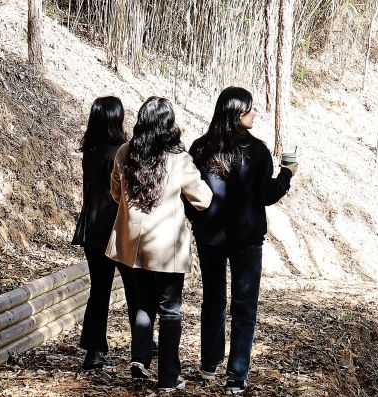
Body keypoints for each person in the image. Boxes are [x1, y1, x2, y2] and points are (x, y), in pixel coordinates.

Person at [185, 86, 297, 394]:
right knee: (244, 305)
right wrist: (287, 174)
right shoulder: (257, 150)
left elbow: (188, 192)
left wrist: (198, 221)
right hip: (246, 238)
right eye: (250, 108)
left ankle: (209, 365)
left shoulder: (201, 147)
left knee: (213, 300)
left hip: (210, 237)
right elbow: (265, 194)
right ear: (237, 112)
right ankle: (236, 374)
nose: (254, 113)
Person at [105, 96, 212, 392]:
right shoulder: (179, 159)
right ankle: (168, 377)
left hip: (132, 243)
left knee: (143, 301)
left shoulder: (125, 152)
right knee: (170, 311)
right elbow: (203, 199)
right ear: (169, 126)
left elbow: (115, 193)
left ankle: (139, 358)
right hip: (166, 248)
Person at [76, 96, 143, 370]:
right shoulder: (121, 151)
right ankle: (142, 345)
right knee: (135, 289)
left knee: (99, 290)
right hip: (119, 229)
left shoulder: (90, 150)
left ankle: (93, 351)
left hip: (93, 229)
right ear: (116, 118)